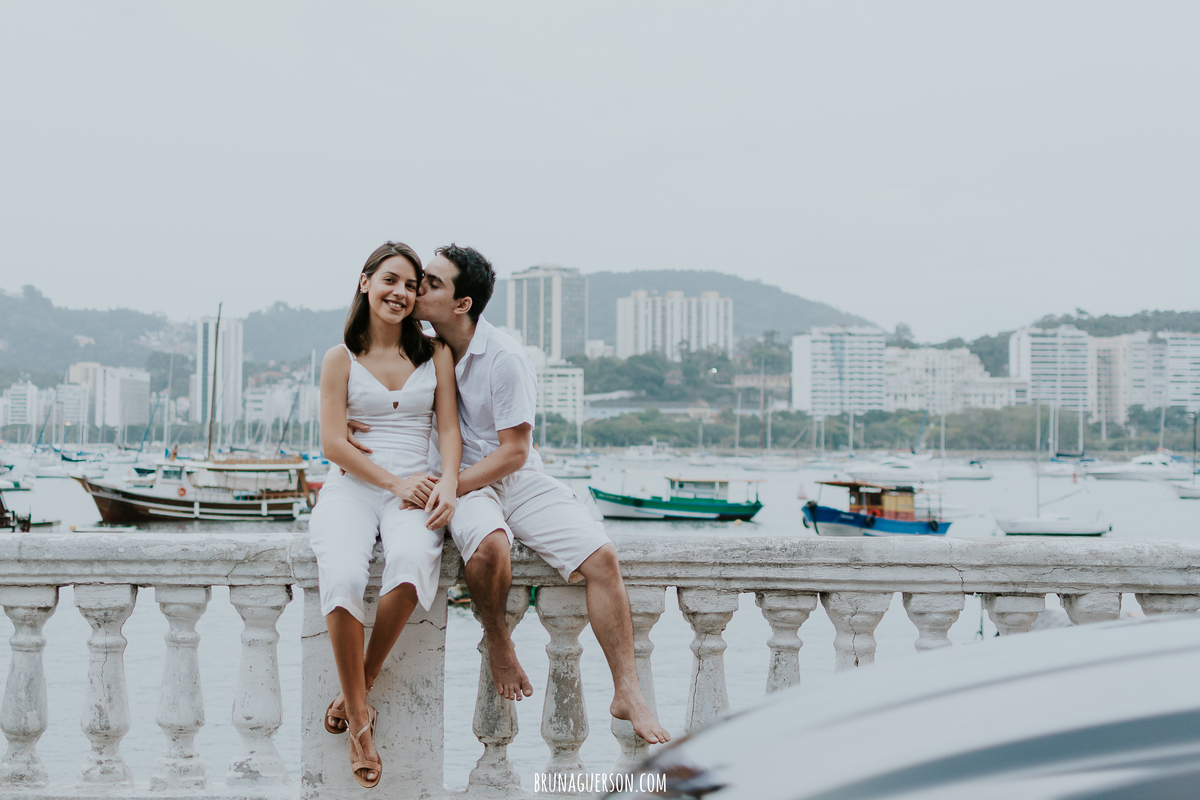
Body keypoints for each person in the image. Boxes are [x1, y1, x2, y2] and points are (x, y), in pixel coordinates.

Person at [353, 244, 670, 746]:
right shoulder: (416, 343)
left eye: (431, 284)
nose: (416, 290)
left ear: (462, 303)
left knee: (603, 557)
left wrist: (448, 487)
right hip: (459, 478)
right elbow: (371, 383)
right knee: (490, 548)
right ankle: (498, 642)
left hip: (508, 476)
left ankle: (627, 690)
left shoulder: (504, 357)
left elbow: (515, 452)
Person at [309, 241, 462, 788]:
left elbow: (448, 429)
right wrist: (395, 481)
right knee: (345, 573)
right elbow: (332, 443)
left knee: (410, 560)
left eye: (411, 285)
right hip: (355, 486)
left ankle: (360, 689)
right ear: (365, 282)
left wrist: (446, 481)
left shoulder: (434, 352)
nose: (400, 293)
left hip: (417, 486)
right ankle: (361, 726)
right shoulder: (339, 358)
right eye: (390, 280)